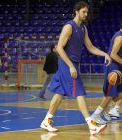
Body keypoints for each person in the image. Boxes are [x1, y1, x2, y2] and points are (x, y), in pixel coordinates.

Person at [40, 1, 111, 135]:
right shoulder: (69, 26)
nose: (86, 14)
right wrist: (71, 66)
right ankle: (91, 124)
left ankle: (46, 120)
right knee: (80, 91)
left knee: (60, 92)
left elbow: (90, 47)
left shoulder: (83, 28)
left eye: (87, 12)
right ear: (77, 11)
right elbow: (59, 48)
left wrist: (104, 54)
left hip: (73, 63)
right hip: (68, 63)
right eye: (83, 12)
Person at [91, 20, 122, 124]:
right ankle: (95, 115)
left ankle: (106, 109)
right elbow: (113, 54)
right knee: (110, 93)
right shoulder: (120, 37)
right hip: (113, 66)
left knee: (120, 93)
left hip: (117, 65)